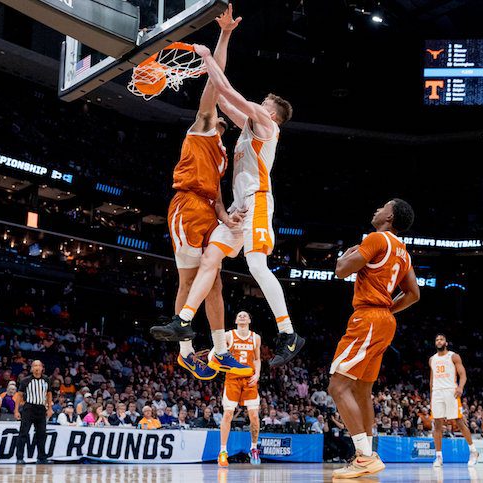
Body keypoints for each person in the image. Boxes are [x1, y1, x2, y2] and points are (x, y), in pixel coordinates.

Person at [186, 40, 304, 369]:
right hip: (241, 209)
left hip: (258, 200)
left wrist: (209, 56)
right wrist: (209, 71)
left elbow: (232, 94)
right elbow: (222, 99)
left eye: (262, 103)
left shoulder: (268, 125)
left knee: (256, 266)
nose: (257, 104)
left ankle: (288, 332)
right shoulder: (249, 129)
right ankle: (184, 322)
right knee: (213, 255)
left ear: (270, 112)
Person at [148, 5, 251, 380]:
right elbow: (214, 83)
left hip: (208, 208)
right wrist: (223, 36)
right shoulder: (203, 127)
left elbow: (218, 194)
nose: (221, 112)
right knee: (189, 281)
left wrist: (226, 216)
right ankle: (186, 350)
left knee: (215, 277)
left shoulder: (223, 154)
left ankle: (221, 351)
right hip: (186, 206)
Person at [327, 199, 419, 479]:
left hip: (367, 318)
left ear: (389, 216)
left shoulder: (377, 239)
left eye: (383, 206)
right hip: (384, 321)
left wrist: (345, 255)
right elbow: (414, 294)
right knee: (362, 391)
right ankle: (367, 454)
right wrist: (388, 308)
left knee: (337, 386)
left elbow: (341, 270)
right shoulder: (404, 252)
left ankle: (364, 456)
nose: (377, 209)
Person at [217, 311, 262, 467]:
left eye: (245, 315)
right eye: (239, 315)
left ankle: (254, 448)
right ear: (236, 320)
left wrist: (257, 374)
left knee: (254, 416)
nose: (242, 317)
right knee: (228, 413)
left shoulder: (255, 338)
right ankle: (223, 452)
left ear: (249, 319)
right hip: (233, 379)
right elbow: (218, 355)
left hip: (249, 379)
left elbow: (257, 359)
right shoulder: (229, 336)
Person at [430, 334, 479, 467]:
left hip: (451, 391)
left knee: (459, 422)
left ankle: (473, 451)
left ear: (446, 343)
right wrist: (431, 396)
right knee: (437, 424)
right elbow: (431, 379)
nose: (439, 341)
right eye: (437, 340)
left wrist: (461, 387)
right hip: (437, 392)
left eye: (441, 339)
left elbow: (463, 374)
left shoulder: (453, 356)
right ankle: (439, 456)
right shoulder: (432, 359)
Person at [15, 360, 53, 464]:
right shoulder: (25, 380)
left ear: (42, 368)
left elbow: (49, 394)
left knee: (41, 434)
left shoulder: (46, 380)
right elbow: (19, 395)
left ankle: (41, 457)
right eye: (34, 366)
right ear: (32, 368)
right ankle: (19, 458)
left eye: (38, 365)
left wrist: (50, 408)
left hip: (41, 409)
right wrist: (16, 410)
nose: (36, 368)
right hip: (29, 408)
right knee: (23, 433)